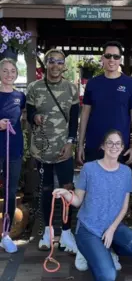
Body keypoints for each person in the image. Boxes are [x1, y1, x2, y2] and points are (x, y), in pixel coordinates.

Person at [53, 130, 132, 281]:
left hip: (113, 227)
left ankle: (108, 251)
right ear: (103, 146)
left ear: (122, 147)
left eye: (118, 143)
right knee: (108, 276)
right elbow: (77, 200)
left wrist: (111, 229)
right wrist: (66, 193)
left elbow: (124, 208)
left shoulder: (126, 172)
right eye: (110, 142)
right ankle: (88, 253)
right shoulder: (89, 168)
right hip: (88, 229)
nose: (113, 146)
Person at [26, 49, 79, 253]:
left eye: (59, 62)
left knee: (67, 190)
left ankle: (66, 233)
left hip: (63, 149)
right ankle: (47, 233)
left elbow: (74, 119)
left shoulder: (71, 89)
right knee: (46, 191)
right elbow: (30, 111)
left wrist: (71, 142)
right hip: (42, 149)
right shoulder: (34, 87)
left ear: (64, 66)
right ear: (46, 64)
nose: (55, 65)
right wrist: (34, 118)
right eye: (51, 61)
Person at [77, 40, 132, 164]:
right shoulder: (92, 83)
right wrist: (80, 144)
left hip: (120, 147)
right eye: (108, 56)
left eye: (116, 56)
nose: (112, 59)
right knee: (94, 183)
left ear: (120, 60)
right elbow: (84, 114)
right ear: (102, 58)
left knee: (118, 183)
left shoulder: (131, 84)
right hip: (94, 145)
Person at [0, 58, 26, 253]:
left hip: (14, 149)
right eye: (5, 71)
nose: (9, 75)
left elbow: (22, 118)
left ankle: (6, 234)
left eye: (12, 71)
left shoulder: (20, 96)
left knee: (10, 190)